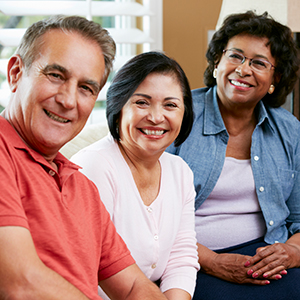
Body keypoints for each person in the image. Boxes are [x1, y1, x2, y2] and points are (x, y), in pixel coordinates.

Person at [0, 15, 168, 300]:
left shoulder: (81, 187)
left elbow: (132, 287)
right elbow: (21, 284)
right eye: (56, 75)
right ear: (16, 72)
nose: (68, 100)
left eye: (86, 88)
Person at [166, 10, 300, 299]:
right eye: (235, 56)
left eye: (259, 63)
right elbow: (148, 218)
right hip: (189, 258)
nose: (243, 69)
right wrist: (212, 262)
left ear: (274, 78)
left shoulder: (289, 130)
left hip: (265, 253)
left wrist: (292, 252)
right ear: (217, 63)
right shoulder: (177, 115)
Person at [71, 51, 200, 300]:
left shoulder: (180, 170)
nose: (156, 117)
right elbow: (88, 270)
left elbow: (181, 256)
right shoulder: (94, 167)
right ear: (118, 106)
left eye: (170, 105)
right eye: (142, 102)